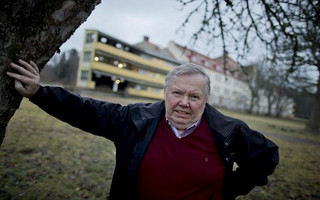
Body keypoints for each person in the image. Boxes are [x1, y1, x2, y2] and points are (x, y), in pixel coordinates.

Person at [7, 59, 279, 200]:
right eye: (177, 93)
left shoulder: (228, 130)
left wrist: (228, 189)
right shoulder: (136, 119)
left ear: (206, 100)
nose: (184, 103)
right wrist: (39, 93)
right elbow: (86, 110)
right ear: (165, 93)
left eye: (194, 97)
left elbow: (266, 157)